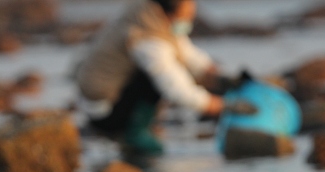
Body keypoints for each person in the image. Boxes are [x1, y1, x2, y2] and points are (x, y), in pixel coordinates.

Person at [75, 0, 225, 161]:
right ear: (172, 9)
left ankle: (136, 132)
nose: (192, 13)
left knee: (166, 68)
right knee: (157, 76)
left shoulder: (149, 16)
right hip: (103, 111)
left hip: (99, 100)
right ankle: (134, 136)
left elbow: (186, 52)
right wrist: (220, 106)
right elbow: (176, 89)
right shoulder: (147, 37)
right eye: (188, 8)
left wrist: (218, 76)